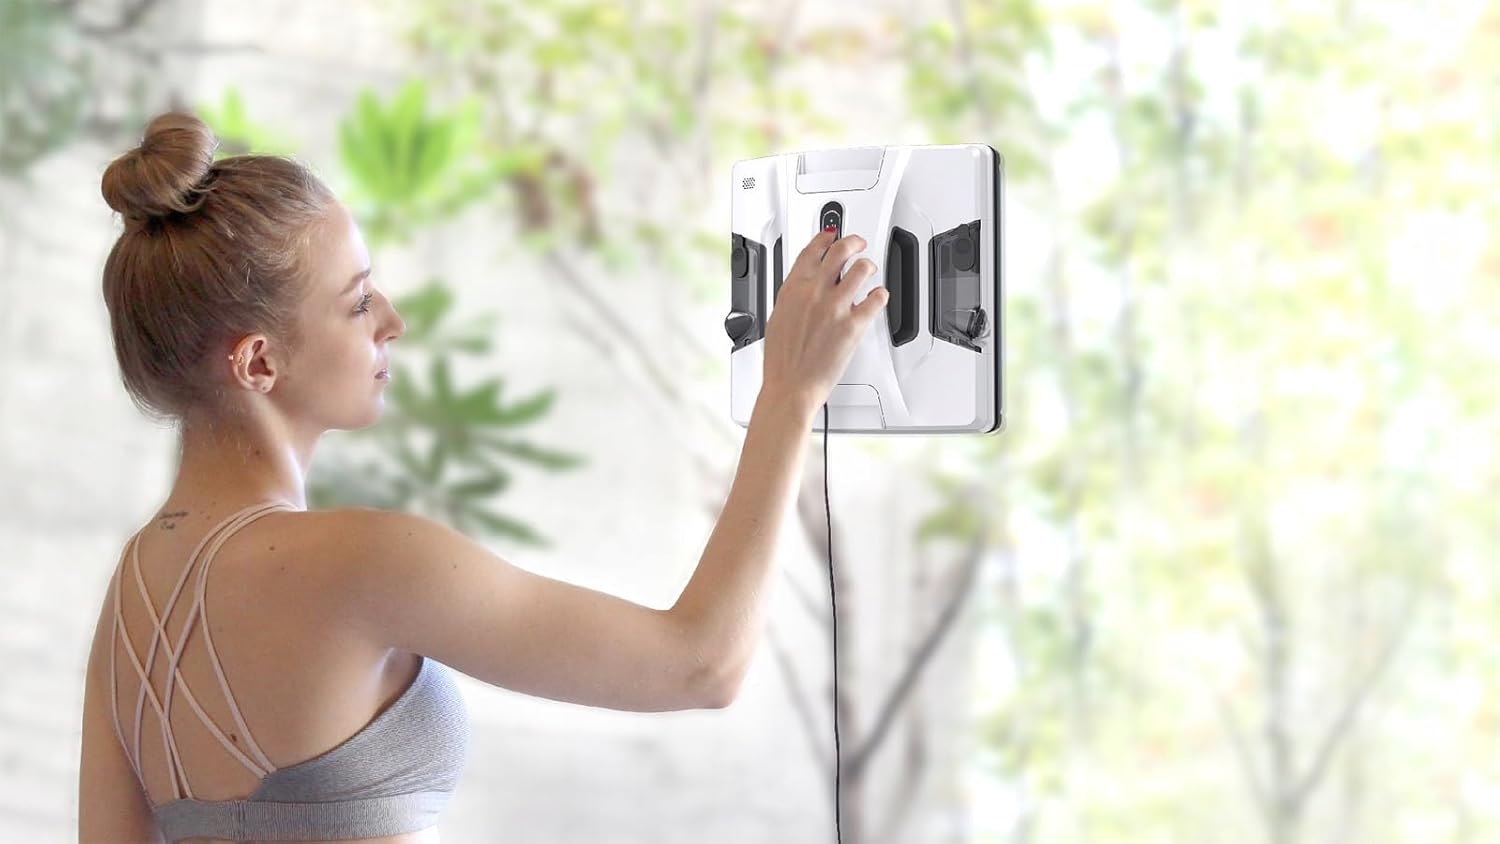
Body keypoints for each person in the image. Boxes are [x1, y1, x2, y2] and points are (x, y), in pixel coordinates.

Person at [75, 110, 889, 843]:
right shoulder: (360, 560)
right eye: (358, 303)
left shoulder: (135, 592)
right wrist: (790, 391)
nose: (393, 321)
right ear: (259, 361)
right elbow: (702, 664)